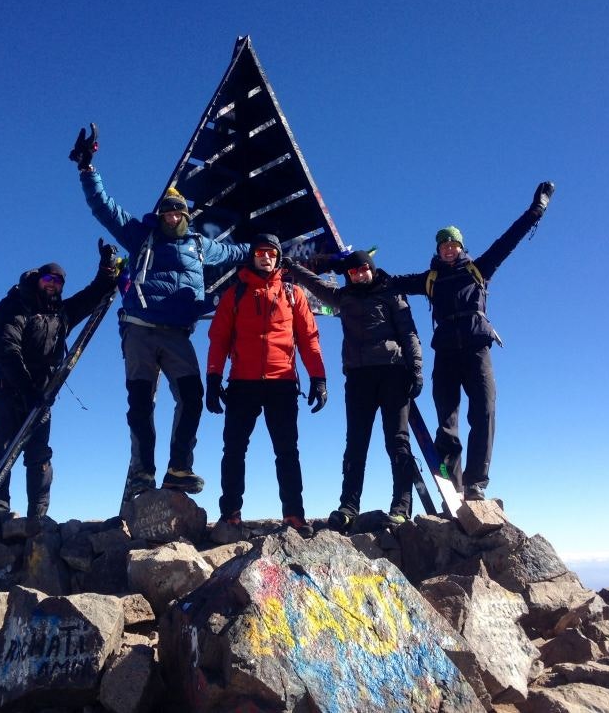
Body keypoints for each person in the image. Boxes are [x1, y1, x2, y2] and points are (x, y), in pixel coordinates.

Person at [69, 125, 250, 506]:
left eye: (177, 211)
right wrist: (88, 170)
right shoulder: (141, 236)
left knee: (192, 396)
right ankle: (142, 474)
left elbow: (238, 254)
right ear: (160, 214)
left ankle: (178, 469)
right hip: (139, 331)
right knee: (141, 403)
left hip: (177, 335)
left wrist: (273, 248)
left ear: (186, 215)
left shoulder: (202, 247)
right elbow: (105, 208)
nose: (171, 217)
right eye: (166, 211)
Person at [388, 181, 555, 501]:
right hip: (447, 352)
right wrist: (362, 272)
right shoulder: (430, 280)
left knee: (484, 410)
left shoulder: (479, 269)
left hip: (477, 348)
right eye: (443, 245)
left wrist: (537, 209)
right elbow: (392, 283)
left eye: (453, 244)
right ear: (437, 250)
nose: (448, 249)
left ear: (461, 247)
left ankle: (477, 482)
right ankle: (453, 476)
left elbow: (509, 240)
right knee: (446, 417)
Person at [283, 250, 423, 531]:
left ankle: (401, 506)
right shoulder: (343, 297)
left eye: (363, 269)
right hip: (358, 378)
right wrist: (291, 266)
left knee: (397, 441)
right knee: (356, 444)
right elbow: (315, 285)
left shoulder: (391, 293)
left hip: (393, 373)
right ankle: (348, 507)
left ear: (371, 269)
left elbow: (409, 332)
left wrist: (416, 369)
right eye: (353, 272)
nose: (358, 275)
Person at [0, 243, 119, 526]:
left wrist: (107, 267)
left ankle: (37, 518)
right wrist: (28, 390)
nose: (52, 286)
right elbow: (7, 351)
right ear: (38, 280)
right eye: (47, 279)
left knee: (39, 454)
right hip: (7, 391)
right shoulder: (16, 306)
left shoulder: (61, 316)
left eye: (58, 282)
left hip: (41, 395)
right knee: (1, 449)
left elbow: (93, 295)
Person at [205, 234, 327, 537]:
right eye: (260, 252)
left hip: (282, 383)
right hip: (241, 382)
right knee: (233, 450)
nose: (266, 257)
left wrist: (319, 377)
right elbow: (218, 339)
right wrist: (212, 378)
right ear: (252, 256)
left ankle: (294, 516)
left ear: (278, 257)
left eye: (271, 252)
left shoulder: (292, 293)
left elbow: (309, 338)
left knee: (287, 451)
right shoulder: (235, 294)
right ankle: (230, 515)